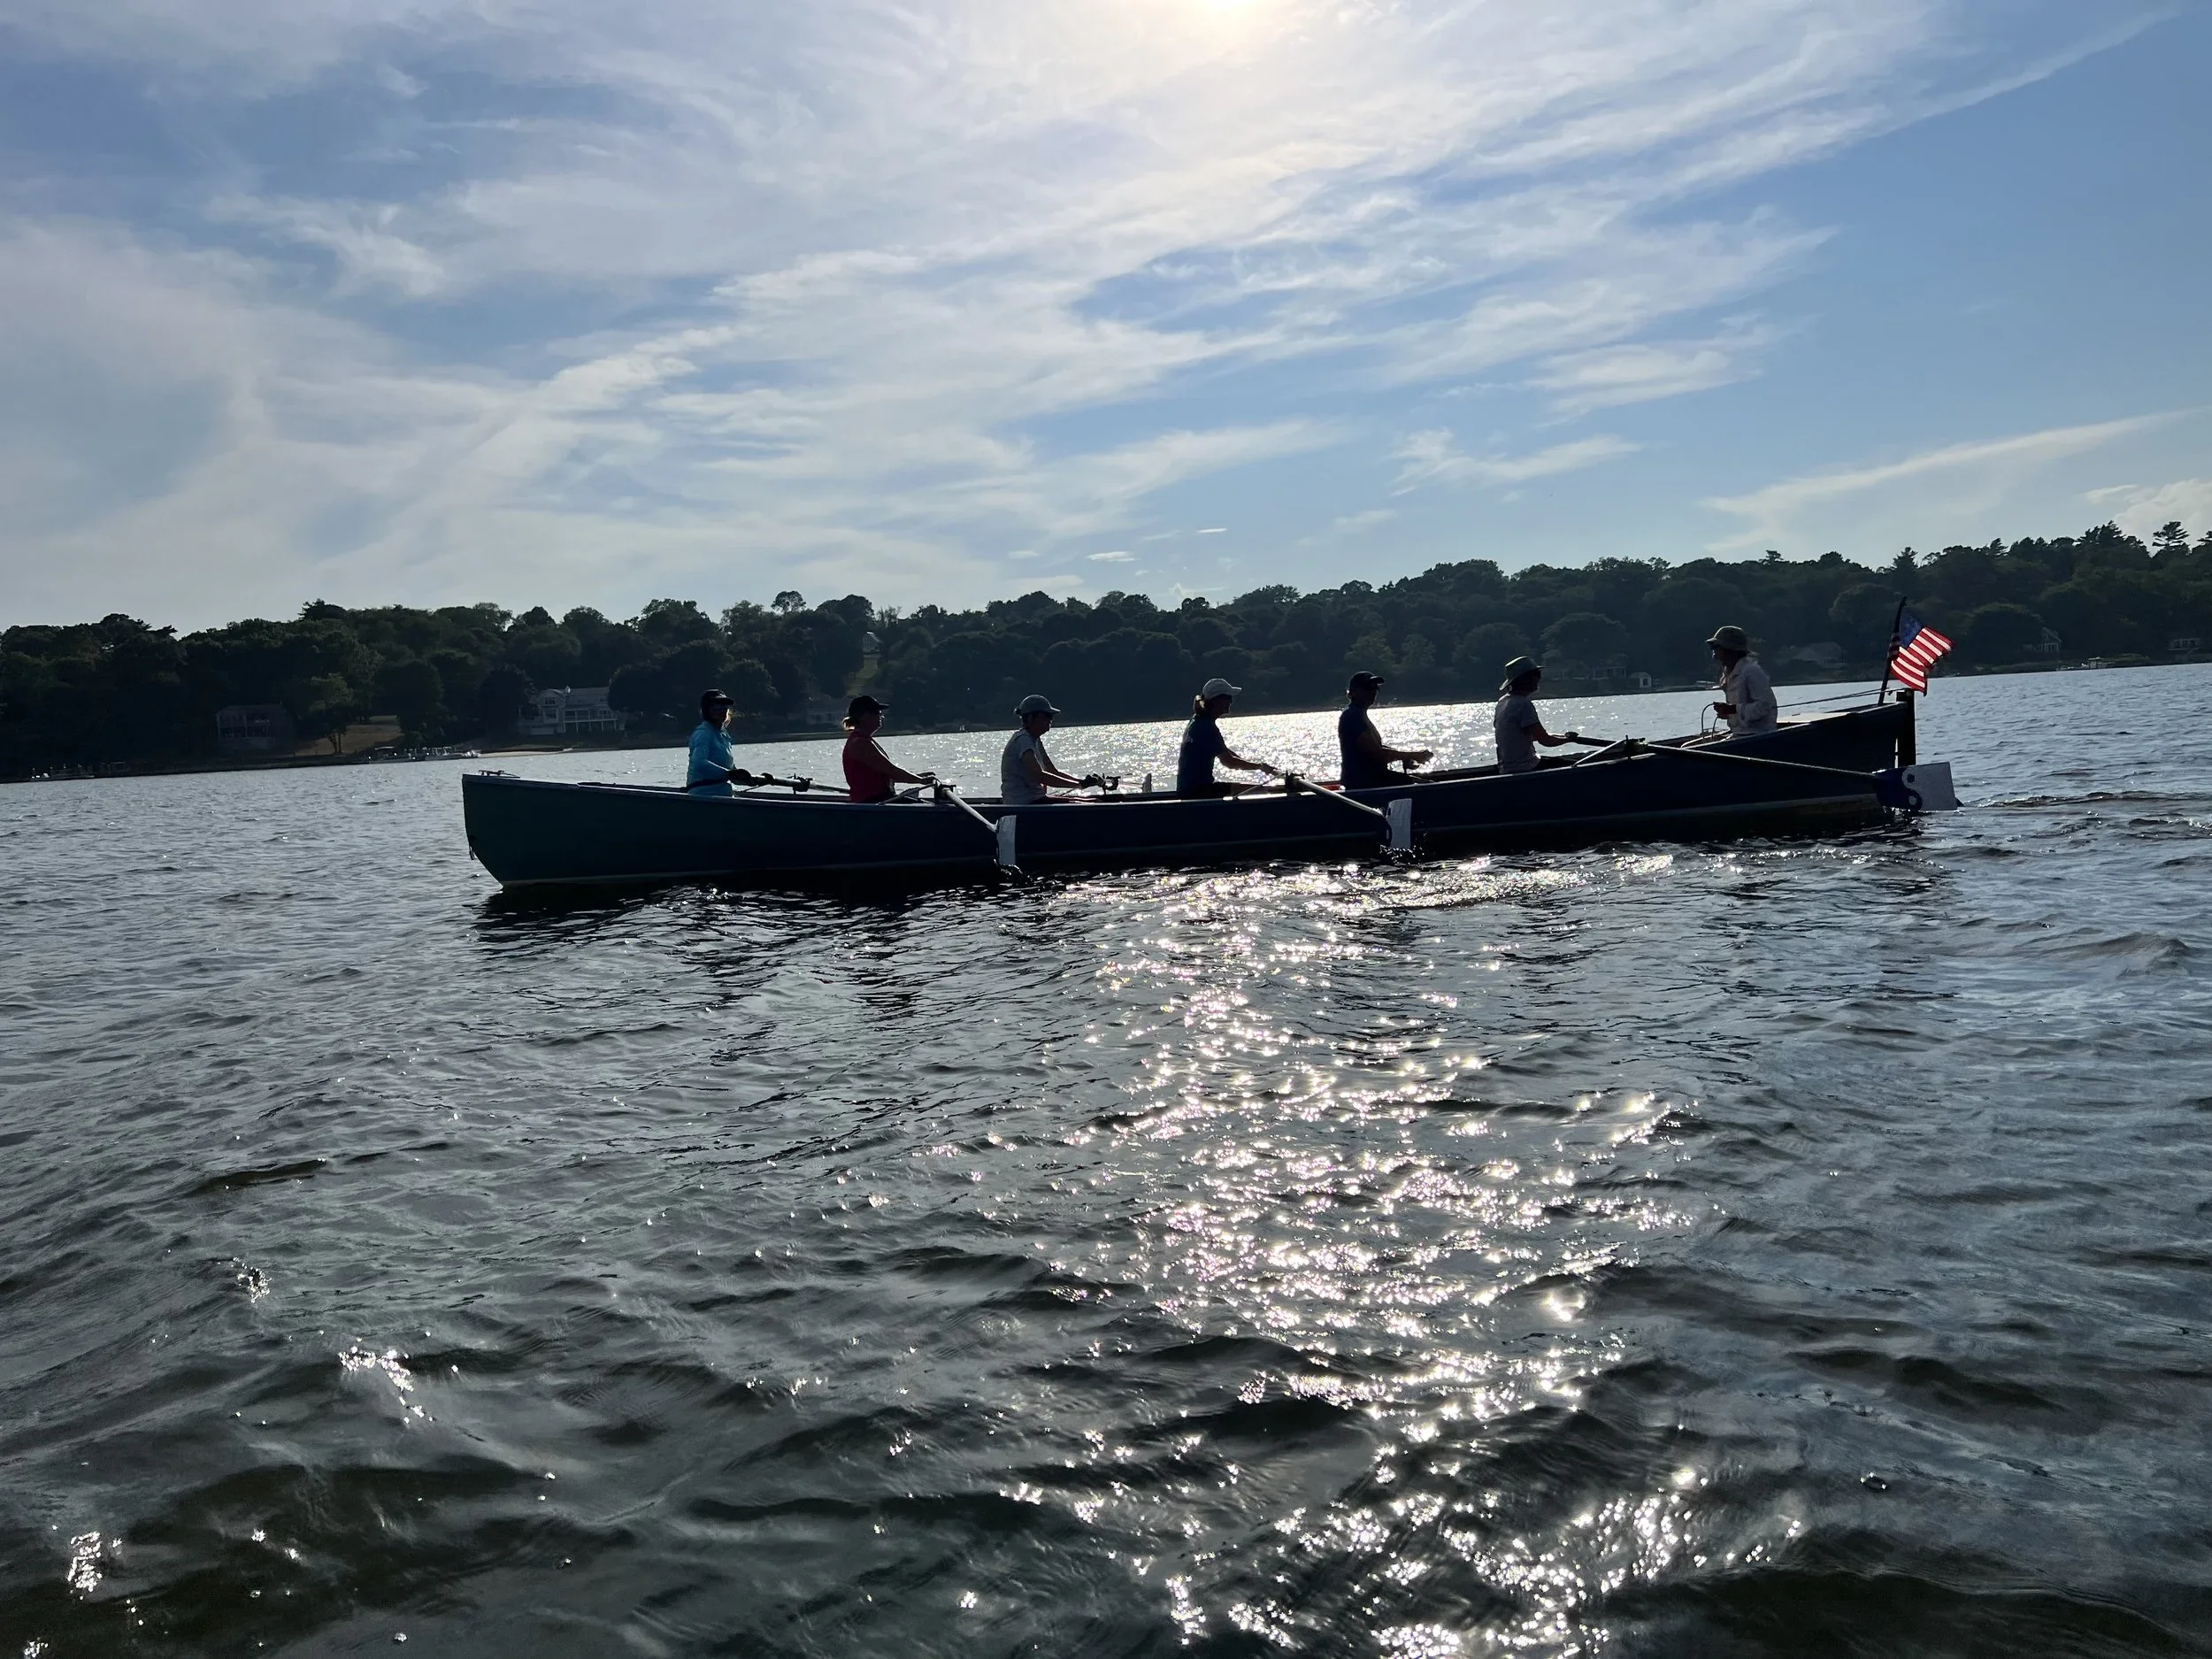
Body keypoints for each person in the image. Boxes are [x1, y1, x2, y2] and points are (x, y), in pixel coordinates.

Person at [1177, 677, 1276, 797]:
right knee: (1263, 790)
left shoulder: (1197, 720)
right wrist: (1259, 767)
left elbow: (1222, 750)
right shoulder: (1206, 727)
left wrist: (1251, 763)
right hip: (1198, 792)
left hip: (1189, 790)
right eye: (1228, 698)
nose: (1231, 701)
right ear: (1217, 701)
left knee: (1258, 789)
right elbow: (1229, 762)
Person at [1337, 672, 1433, 790]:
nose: (1373, 691)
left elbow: (1377, 748)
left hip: (1372, 779)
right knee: (1421, 786)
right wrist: (1413, 755)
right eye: (1368, 688)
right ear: (1353, 692)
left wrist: (1406, 757)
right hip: (1363, 782)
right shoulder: (1352, 716)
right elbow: (1376, 753)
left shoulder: (1359, 714)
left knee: (1422, 783)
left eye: (1375, 688)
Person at [1000, 695, 1101, 805]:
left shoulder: (1035, 740)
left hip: (1036, 800)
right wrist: (1078, 785)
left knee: (1092, 801)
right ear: (1031, 718)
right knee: (1090, 803)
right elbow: (1039, 775)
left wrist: (1081, 782)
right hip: (1023, 803)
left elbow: (1051, 771)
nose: (1051, 720)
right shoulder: (1023, 740)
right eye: (1047, 716)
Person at [1493, 657, 1579, 774]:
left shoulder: (1502, 702)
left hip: (1506, 769)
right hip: (1525, 768)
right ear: (1526, 679)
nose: (1540, 679)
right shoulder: (1523, 704)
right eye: (1537, 675)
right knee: (1575, 767)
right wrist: (1568, 740)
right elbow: (1546, 741)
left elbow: (1526, 735)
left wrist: (1563, 738)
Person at [841, 695, 933, 803]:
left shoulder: (863, 740)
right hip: (872, 801)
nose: (881, 716)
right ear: (863, 716)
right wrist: (920, 780)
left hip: (878, 799)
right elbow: (893, 771)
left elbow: (888, 774)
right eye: (877, 713)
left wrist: (917, 777)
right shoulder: (860, 743)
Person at [686, 688, 759, 796]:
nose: (723, 710)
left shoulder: (723, 735)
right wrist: (729, 774)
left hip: (723, 794)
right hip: (703, 795)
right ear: (706, 709)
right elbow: (699, 764)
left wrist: (749, 780)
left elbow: (731, 772)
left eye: (725, 706)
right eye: (717, 706)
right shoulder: (703, 733)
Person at [1707, 625, 1778, 734]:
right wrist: (1728, 713)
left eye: (1716, 647)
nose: (1714, 653)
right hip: (1739, 733)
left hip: (1759, 734)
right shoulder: (1728, 674)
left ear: (1730, 649)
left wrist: (1732, 709)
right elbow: (1741, 710)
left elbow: (1764, 707)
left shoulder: (1752, 672)